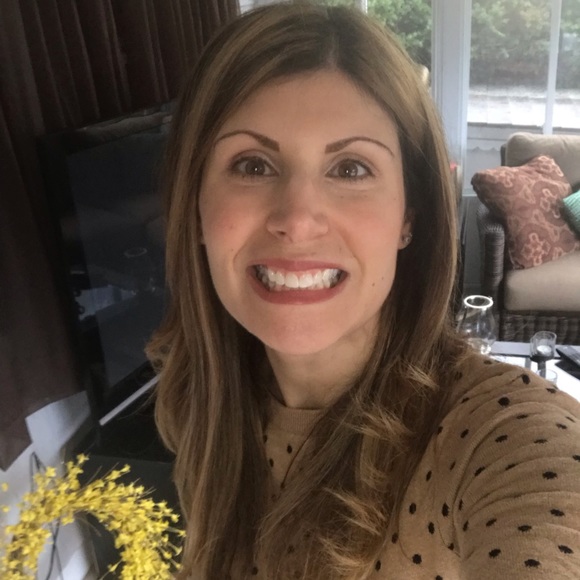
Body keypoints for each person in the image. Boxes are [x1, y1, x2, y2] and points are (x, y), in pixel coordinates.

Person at [147, 3, 580, 579]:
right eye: (252, 165)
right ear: (196, 205)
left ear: (409, 216)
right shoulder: (197, 401)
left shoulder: (503, 435)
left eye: (350, 169)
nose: (297, 220)